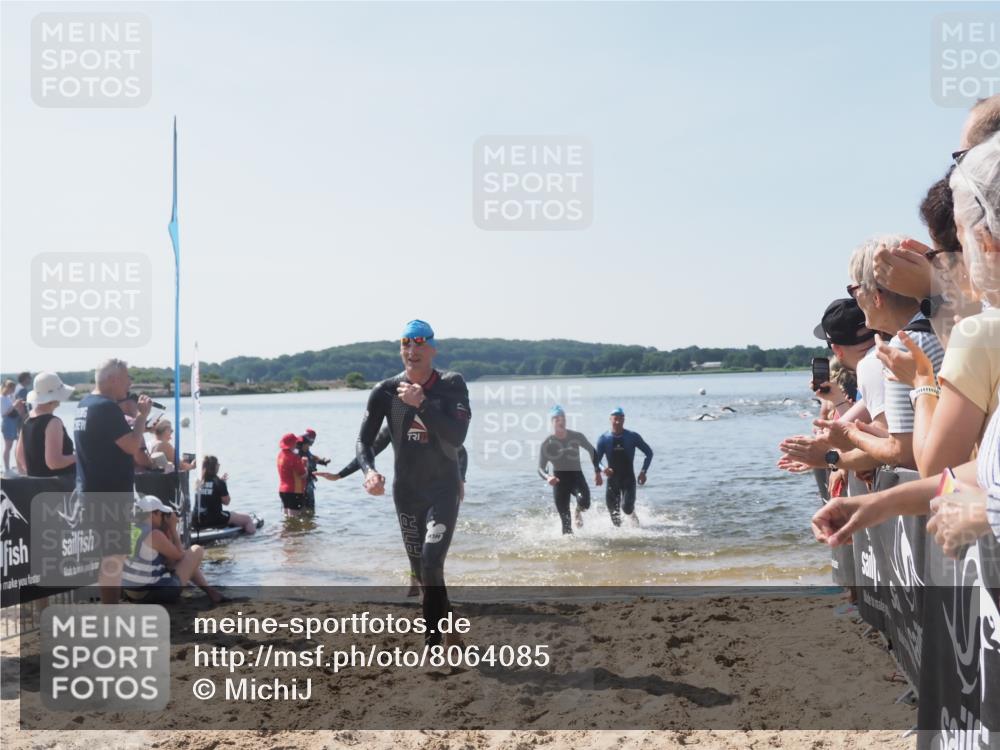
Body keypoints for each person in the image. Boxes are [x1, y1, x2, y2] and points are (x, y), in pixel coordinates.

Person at [356, 319, 471, 648]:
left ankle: (433, 644)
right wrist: (368, 471)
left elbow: (457, 436)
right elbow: (365, 442)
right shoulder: (385, 391)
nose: (411, 350)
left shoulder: (451, 384)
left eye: (419, 344)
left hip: (443, 488)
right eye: (405, 344)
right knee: (423, 572)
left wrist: (422, 403)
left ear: (432, 349)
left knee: (432, 560)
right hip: (407, 493)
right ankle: (449, 623)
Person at [336, 424, 468, 597]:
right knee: (415, 544)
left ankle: (431, 595)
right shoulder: (395, 424)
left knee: (431, 550)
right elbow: (369, 450)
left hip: (438, 494)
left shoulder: (434, 420)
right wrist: (341, 474)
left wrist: (460, 479)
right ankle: (417, 582)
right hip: (407, 494)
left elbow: (461, 451)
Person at [74, 359, 154, 604]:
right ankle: (110, 612)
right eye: (128, 378)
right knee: (113, 556)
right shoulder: (106, 407)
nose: (130, 383)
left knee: (111, 555)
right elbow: (131, 446)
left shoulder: (84, 403)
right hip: (109, 494)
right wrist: (141, 416)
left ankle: (110, 609)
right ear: (113, 379)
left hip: (93, 490)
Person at [122, 495, 222, 604]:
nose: (162, 517)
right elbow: (180, 556)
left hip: (131, 592)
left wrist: (167, 533)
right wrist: (173, 528)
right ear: (153, 514)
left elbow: (170, 561)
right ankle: (211, 592)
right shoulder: (154, 534)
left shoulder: (131, 529)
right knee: (196, 550)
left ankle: (211, 592)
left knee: (185, 561)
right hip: (149, 594)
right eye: (161, 514)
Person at [538, 404, 602, 534]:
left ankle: (577, 511)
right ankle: (570, 545)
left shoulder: (576, 436)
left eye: (562, 418)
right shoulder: (547, 443)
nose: (560, 421)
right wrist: (548, 477)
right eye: (556, 418)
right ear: (552, 422)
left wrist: (597, 471)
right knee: (566, 525)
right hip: (559, 483)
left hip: (576, 478)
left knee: (585, 503)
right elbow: (540, 468)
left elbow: (592, 451)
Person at [595, 407, 653, 527]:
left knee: (626, 508)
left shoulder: (632, 436)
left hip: (628, 479)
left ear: (624, 420)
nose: (617, 422)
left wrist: (643, 471)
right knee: (615, 519)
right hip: (612, 480)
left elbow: (649, 453)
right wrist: (603, 469)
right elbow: (596, 460)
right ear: (610, 419)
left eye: (620, 419)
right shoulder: (604, 439)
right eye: (615, 419)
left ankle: (632, 514)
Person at [15, 372, 76, 477]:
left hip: (37, 484)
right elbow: (54, 463)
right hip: (58, 484)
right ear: (54, 397)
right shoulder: (53, 422)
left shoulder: (27, 418)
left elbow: (20, 455)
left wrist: (35, 474)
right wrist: (78, 457)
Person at [193, 455, 256, 534]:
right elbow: (226, 502)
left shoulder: (197, 481)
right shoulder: (219, 483)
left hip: (197, 519)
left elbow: (207, 494)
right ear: (215, 466)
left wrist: (219, 484)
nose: (219, 465)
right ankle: (253, 538)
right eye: (218, 464)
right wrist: (223, 484)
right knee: (248, 519)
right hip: (214, 518)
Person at [277, 432, 308, 517]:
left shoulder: (280, 455)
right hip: (294, 491)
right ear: (292, 444)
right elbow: (303, 475)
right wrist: (305, 465)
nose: (296, 444)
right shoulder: (294, 457)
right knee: (295, 519)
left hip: (283, 491)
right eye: (295, 442)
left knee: (287, 517)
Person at [299, 429, 331, 511]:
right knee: (305, 506)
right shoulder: (297, 452)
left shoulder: (305, 449)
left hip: (309, 481)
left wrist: (321, 461)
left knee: (309, 507)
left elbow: (311, 456)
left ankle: (308, 517)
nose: (309, 446)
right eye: (309, 443)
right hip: (302, 483)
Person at [2, 380, 19, 473]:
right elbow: (4, 413)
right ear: (7, 388)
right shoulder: (2, 398)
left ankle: (16, 466)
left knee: (14, 445)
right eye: (12, 388)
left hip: (13, 422)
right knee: (8, 446)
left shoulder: (8, 397)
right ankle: (7, 468)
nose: (13, 390)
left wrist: (15, 403)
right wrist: (14, 405)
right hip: (7, 422)